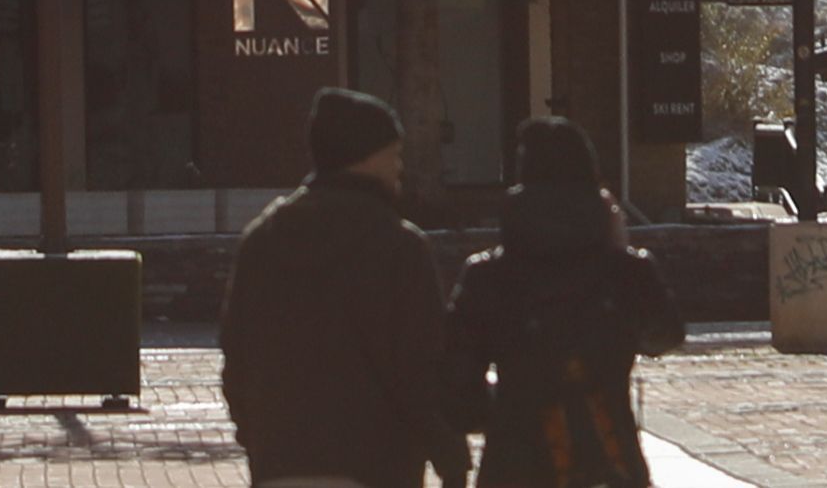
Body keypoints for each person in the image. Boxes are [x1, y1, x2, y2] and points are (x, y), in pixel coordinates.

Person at [228, 86, 455, 488]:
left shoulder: (262, 240)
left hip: (282, 463)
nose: (399, 167)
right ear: (367, 157)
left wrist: (258, 440)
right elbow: (420, 366)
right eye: (394, 154)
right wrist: (445, 447)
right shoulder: (399, 246)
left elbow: (236, 353)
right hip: (378, 465)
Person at [455, 116, 666, 488]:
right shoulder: (624, 272)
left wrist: (510, 407)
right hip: (609, 456)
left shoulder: (488, 275)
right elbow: (665, 334)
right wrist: (622, 249)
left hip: (514, 465)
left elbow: (458, 391)